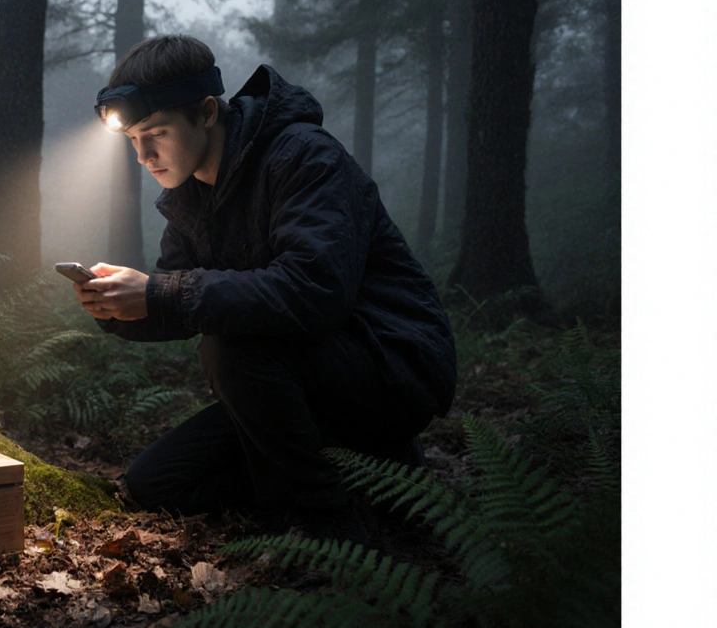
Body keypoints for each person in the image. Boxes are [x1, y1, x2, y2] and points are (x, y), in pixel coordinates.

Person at [73, 35, 457, 541]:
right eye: (134, 140)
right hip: (298, 378)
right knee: (157, 481)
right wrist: (117, 305)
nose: (144, 154)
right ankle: (369, 476)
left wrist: (159, 293)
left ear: (208, 112)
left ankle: (330, 528)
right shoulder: (189, 197)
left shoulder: (303, 157)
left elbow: (314, 292)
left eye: (157, 133)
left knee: (230, 347)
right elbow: (177, 300)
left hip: (389, 368)